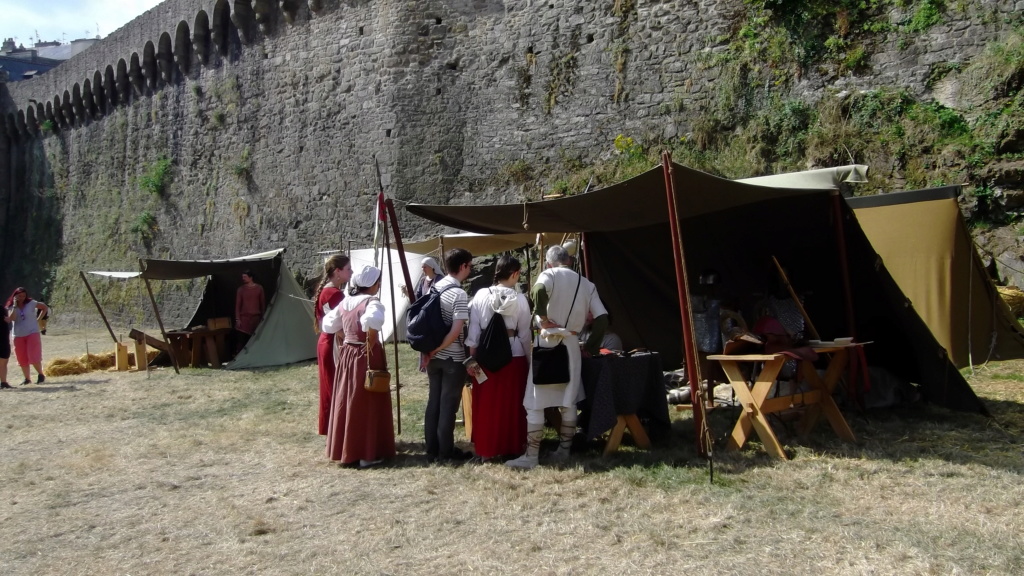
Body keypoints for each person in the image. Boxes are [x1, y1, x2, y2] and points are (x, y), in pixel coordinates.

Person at [507, 245, 609, 470]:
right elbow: (602, 318)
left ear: (550, 262)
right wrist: (591, 347)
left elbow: (538, 290)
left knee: (535, 403)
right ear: (569, 261)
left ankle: (532, 457)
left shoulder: (548, 274)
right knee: (569, 402)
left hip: (547, 343)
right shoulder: (587, 284)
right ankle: (564, 451)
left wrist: (542, 318)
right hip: (571, 345)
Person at [320, 265, 396, 467]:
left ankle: (349, 449)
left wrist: (348, 338)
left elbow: (329, 324)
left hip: (348, 355)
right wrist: (370, 341)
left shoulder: (346, 302)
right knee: (366, 401)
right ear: (373, 284)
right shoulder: (372, 302)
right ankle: (365, 454)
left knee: (348, 400)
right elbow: (372, 321)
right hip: (365, 356)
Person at [465, 255, 532, 461]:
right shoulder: (519, 299)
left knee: (486, 405)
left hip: (484, 357)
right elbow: (524, 334)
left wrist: (472, 361)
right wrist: (530, 362)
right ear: (514, 274)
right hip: (514, 356)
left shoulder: (480, 295)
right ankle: (511, 447)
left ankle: (486, 450)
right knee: (512, 405)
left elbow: (473, 333)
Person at [424, 248, 473, 463]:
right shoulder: (458, 293)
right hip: (452, 358)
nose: (470, 270)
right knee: (448, 406)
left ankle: (431, 448)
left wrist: (432, 350)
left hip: (433, 358)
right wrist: (440, 348)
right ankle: (445, 452)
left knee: (433, 402)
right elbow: (456, 331)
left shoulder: (433, 288)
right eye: (470, 266)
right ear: (462, 266)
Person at [313, 254, 353, 436]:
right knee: (335, 387)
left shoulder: (329, 291)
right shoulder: (333, 293)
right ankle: (337, 430)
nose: (351, 272)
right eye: (348, 269)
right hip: (332, 343)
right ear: (338, 272)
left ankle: (333, 428)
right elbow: (338, 325)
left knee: (331, 386)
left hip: (326, 341)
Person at [5, 287, 49, 385]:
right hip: (18, 334)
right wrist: (15, 306)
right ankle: (27, 379)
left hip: (32, 332)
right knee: (22, 358)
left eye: (24, 296)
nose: (22, 298)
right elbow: (11, 319)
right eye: (19, 296)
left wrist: (38, 319)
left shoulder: (31, 303)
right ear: (15, 296)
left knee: (33, 355)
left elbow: (44, 307)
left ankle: (41, 375)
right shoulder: (11, 306)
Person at [234, 269, 266, 353]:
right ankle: (239, 360)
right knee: (241, 341)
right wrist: (238, 319)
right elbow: (237, 306)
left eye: (245, 277)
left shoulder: (259, 288)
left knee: (255, 340)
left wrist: (263, 317)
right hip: (243, 319)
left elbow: (262, 304)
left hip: (255, 319)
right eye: (242, 277)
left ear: (250, 278)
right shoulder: (241, 289)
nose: (243, 278)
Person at [1, 299, 11, 389]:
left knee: (3, 360)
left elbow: (7, 320)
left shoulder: (1, 308)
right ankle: (3, 382)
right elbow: (7, 320)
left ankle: (3, 382)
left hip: (3, 338)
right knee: (3, 361)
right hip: (3, 339)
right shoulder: (1, 308)